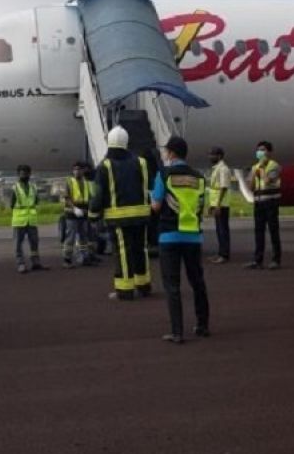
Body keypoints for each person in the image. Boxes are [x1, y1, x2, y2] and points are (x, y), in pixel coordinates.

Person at [150, 136, 211, 344]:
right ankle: (203, 325)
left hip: (169, 235)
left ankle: (177, 332)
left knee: (173, 286)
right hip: (193, 235)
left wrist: (152, 196)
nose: (165, 154)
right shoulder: (199, 177)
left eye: (166, 151)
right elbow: (202, 204)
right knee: (197, 282)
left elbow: (156, 206)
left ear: (172, 153)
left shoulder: (164, 174)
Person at [89, 126, 153, 301]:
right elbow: (148, 186)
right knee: (141, 249)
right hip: (141, 215)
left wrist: (93, 214)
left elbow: (98, 194)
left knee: (123, 252)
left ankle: (125, 290)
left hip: (118, 218)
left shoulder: (105, 165)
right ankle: (143, 285)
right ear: (126, 142)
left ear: (109, 142)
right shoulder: (141, 162)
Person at [244, 141, 282, 270]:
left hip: (271, 202)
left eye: (263, 150)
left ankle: (276, 260)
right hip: (259, 203)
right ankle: (257, 260)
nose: (260, 152)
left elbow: (267, 181)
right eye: (258, 150)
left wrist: (261, 168)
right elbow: (250, 186)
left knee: (273, 231)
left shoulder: (274, 166)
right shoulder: (255, 167)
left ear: (269, 152)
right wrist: (255, 171)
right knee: (258, 232)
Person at [11, 165, 46, 274]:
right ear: (18, 174)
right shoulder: (15, 188)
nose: (24, 175)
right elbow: (12, 204)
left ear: (29, 174)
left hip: (31, 220)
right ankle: (20, 264)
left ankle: (35, 262)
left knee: (34, 242)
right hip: (19, 220)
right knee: (18, 244)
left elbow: (36, 201)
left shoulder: (33, 187)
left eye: (26, 173)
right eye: (22, 173)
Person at [61, 161, 95, 268]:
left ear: (83, 171)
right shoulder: (69, 182)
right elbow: (66, 198)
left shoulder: (87, 183)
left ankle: (83, 257)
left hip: (83, 214)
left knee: (83, 238)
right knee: (70, 238)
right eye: (75, 169)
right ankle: (67, 259)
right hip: (72, 214)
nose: (77, 171)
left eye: (79, 169)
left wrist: (88, 210)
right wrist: (74, 208)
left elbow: (90, 198)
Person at [206, 146, 232, 263]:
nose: (210, 157)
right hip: (217, 203)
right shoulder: (217, 168)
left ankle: (224, 255)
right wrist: (212, 204)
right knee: (219, 230)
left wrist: (218, 205)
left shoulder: (223, 169)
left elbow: (223, 187)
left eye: (213, 154)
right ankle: (220, 253)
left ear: (220, 156)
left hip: (222, 205)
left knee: (223, 230)